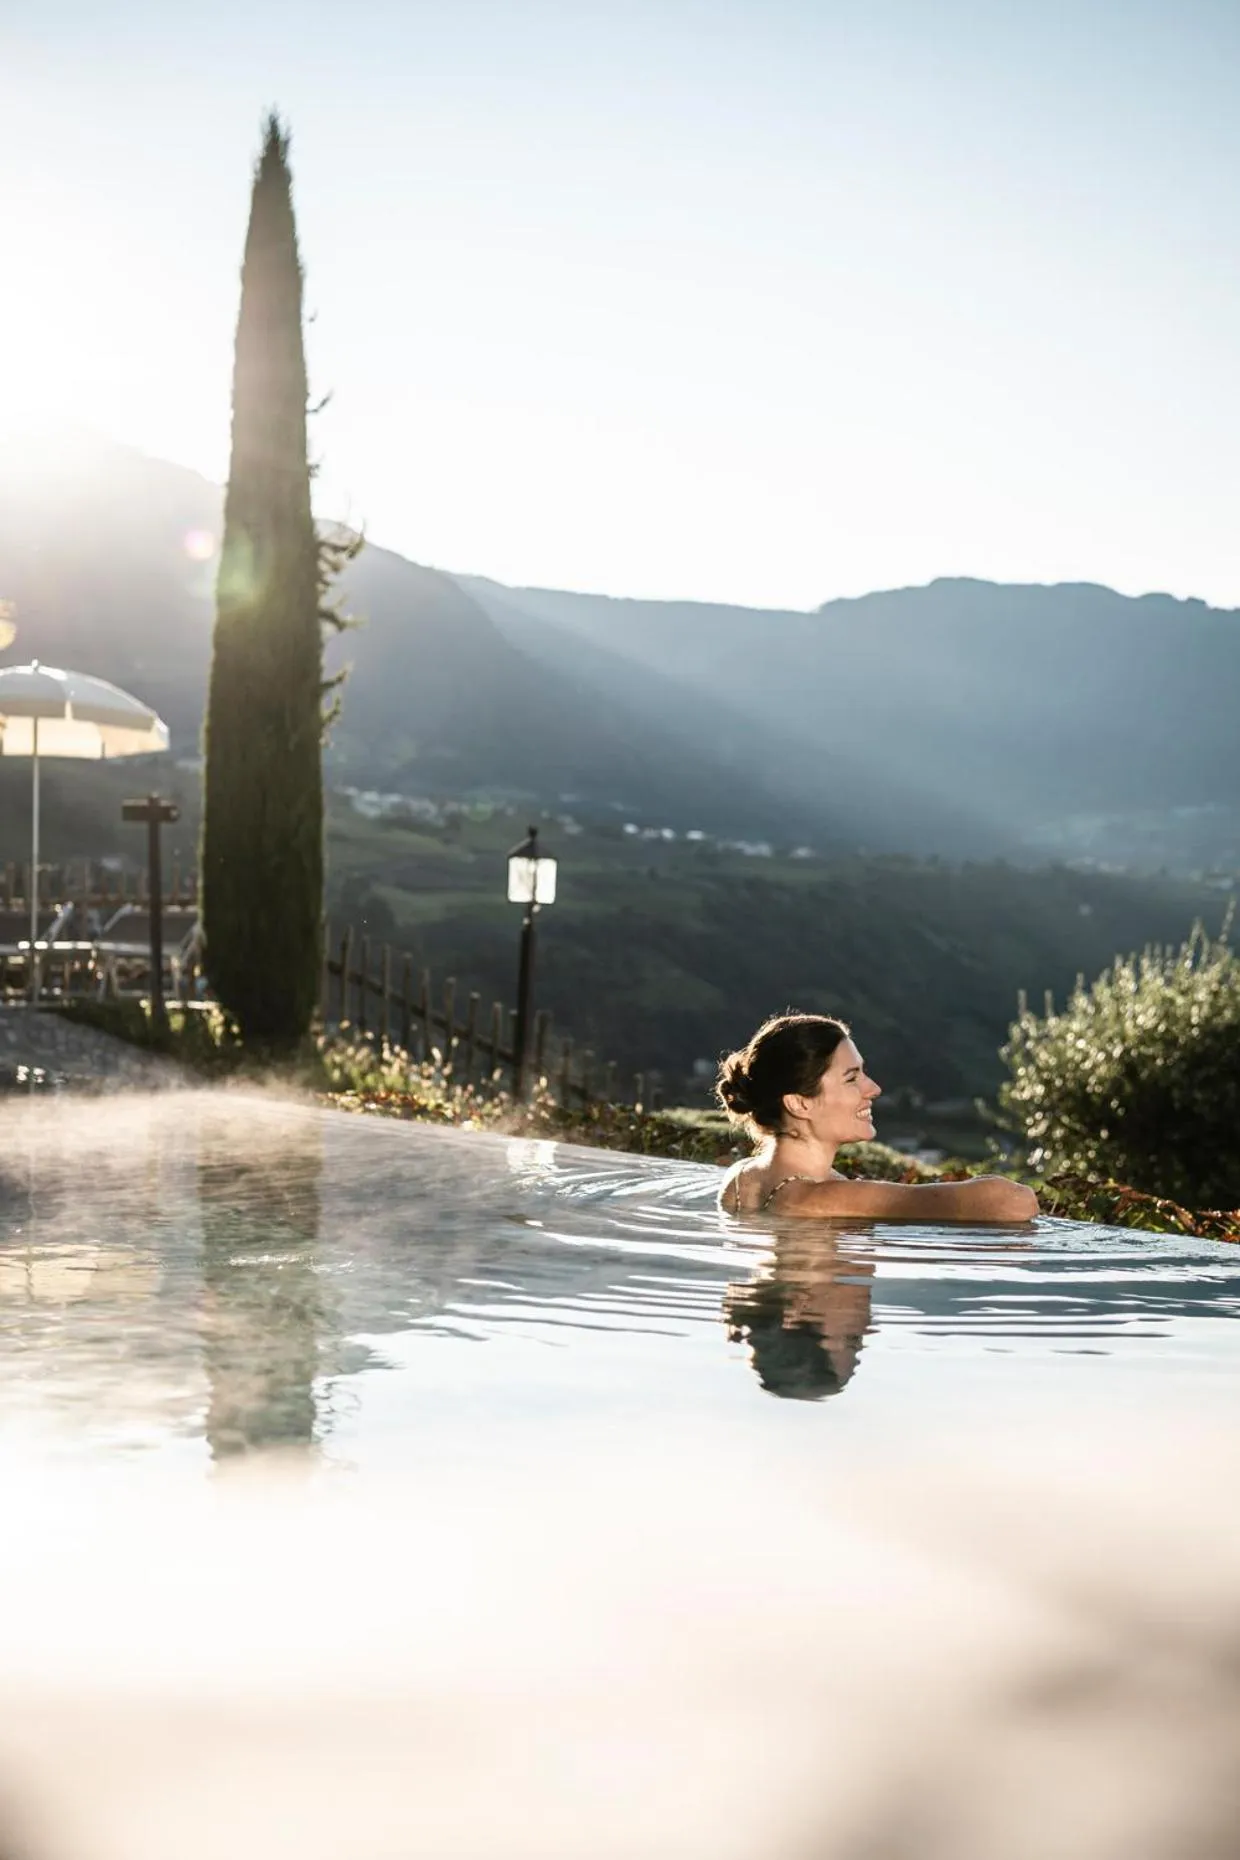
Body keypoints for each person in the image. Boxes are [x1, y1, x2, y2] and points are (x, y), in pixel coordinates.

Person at [717, 1012, 1037, 1223]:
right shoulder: (822, 1198)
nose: (873, 1088)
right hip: (818, 1322)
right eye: (852, 1077)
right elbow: (1012, 1202)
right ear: (799, 1103)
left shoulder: (740, 1179)